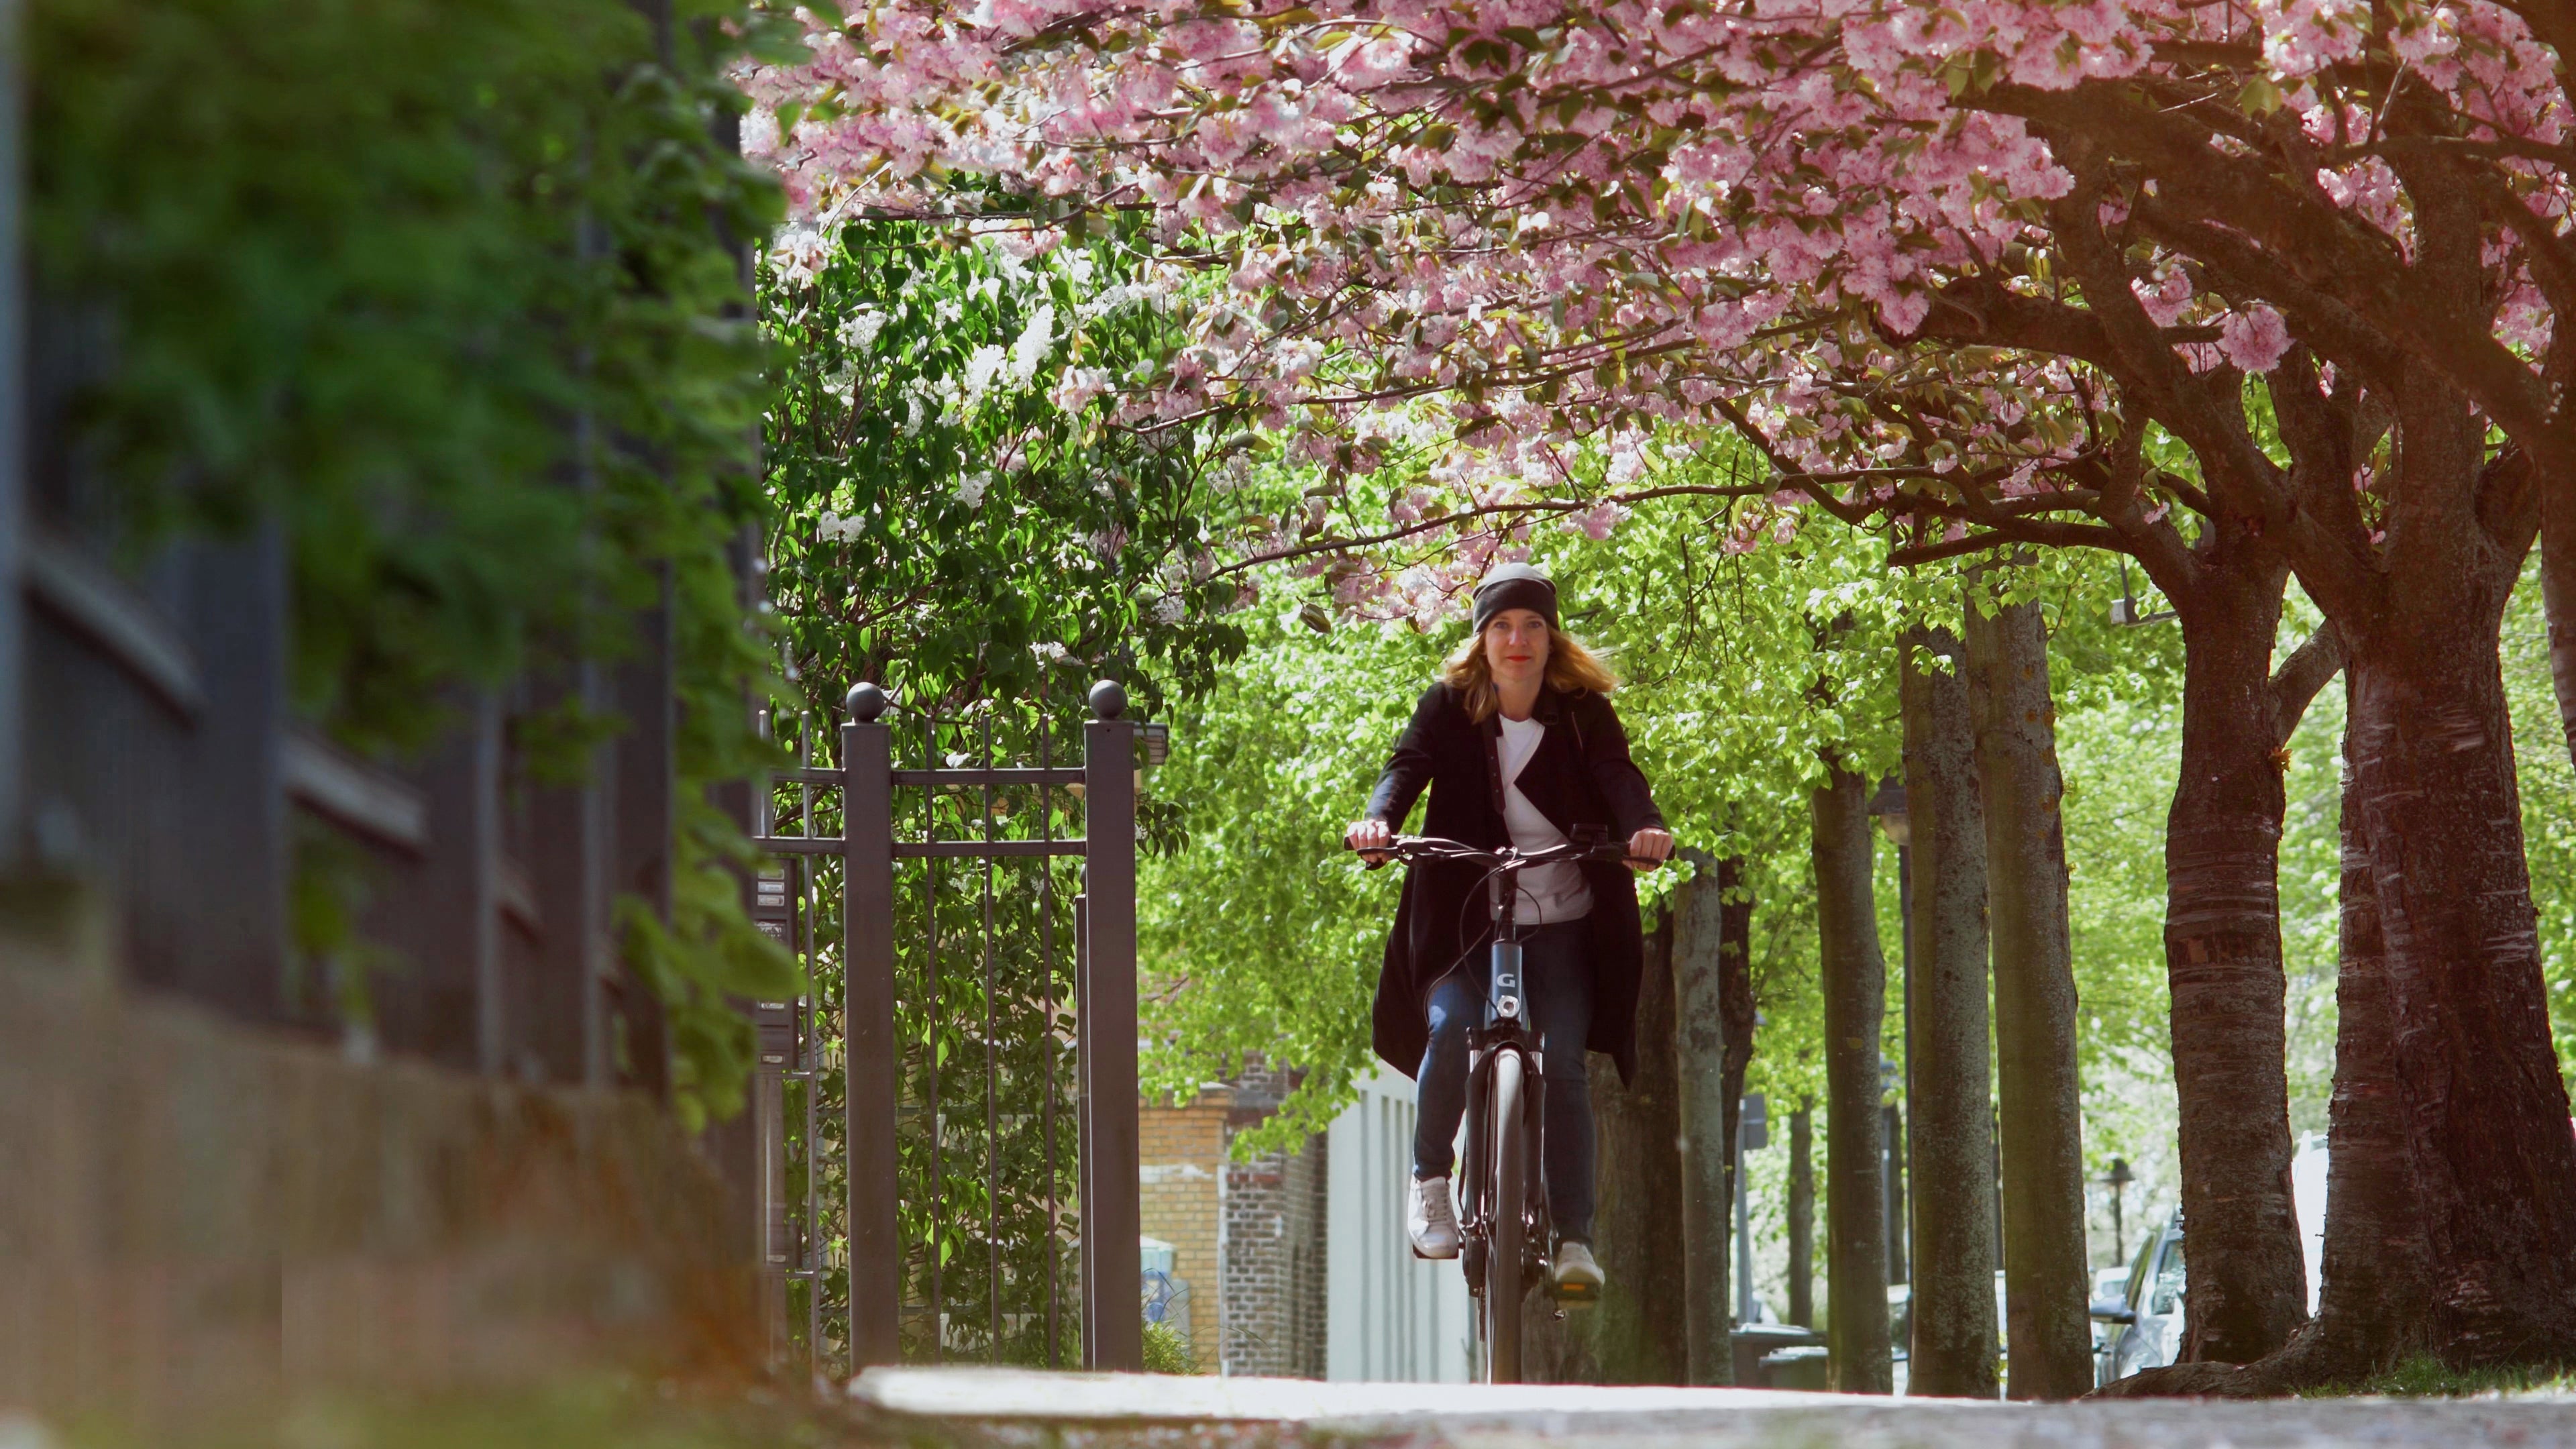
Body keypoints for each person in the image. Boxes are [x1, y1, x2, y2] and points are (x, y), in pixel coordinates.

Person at [1344, 562, 1672, 1295]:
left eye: (1531, 626)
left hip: (1563, 923)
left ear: (1551, 639)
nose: (1516, 640)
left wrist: (1645, 829)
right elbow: (1405, 768)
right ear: (1482, 639)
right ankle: (1432, 1180)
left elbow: (1621, 778)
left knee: (1560, 1061)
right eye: (1501, 626)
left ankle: (1573, 1240)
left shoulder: (1585, 713)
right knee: (1452, 1029)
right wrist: (1379, 822)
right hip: (1465, 920)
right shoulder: (1449, 705)